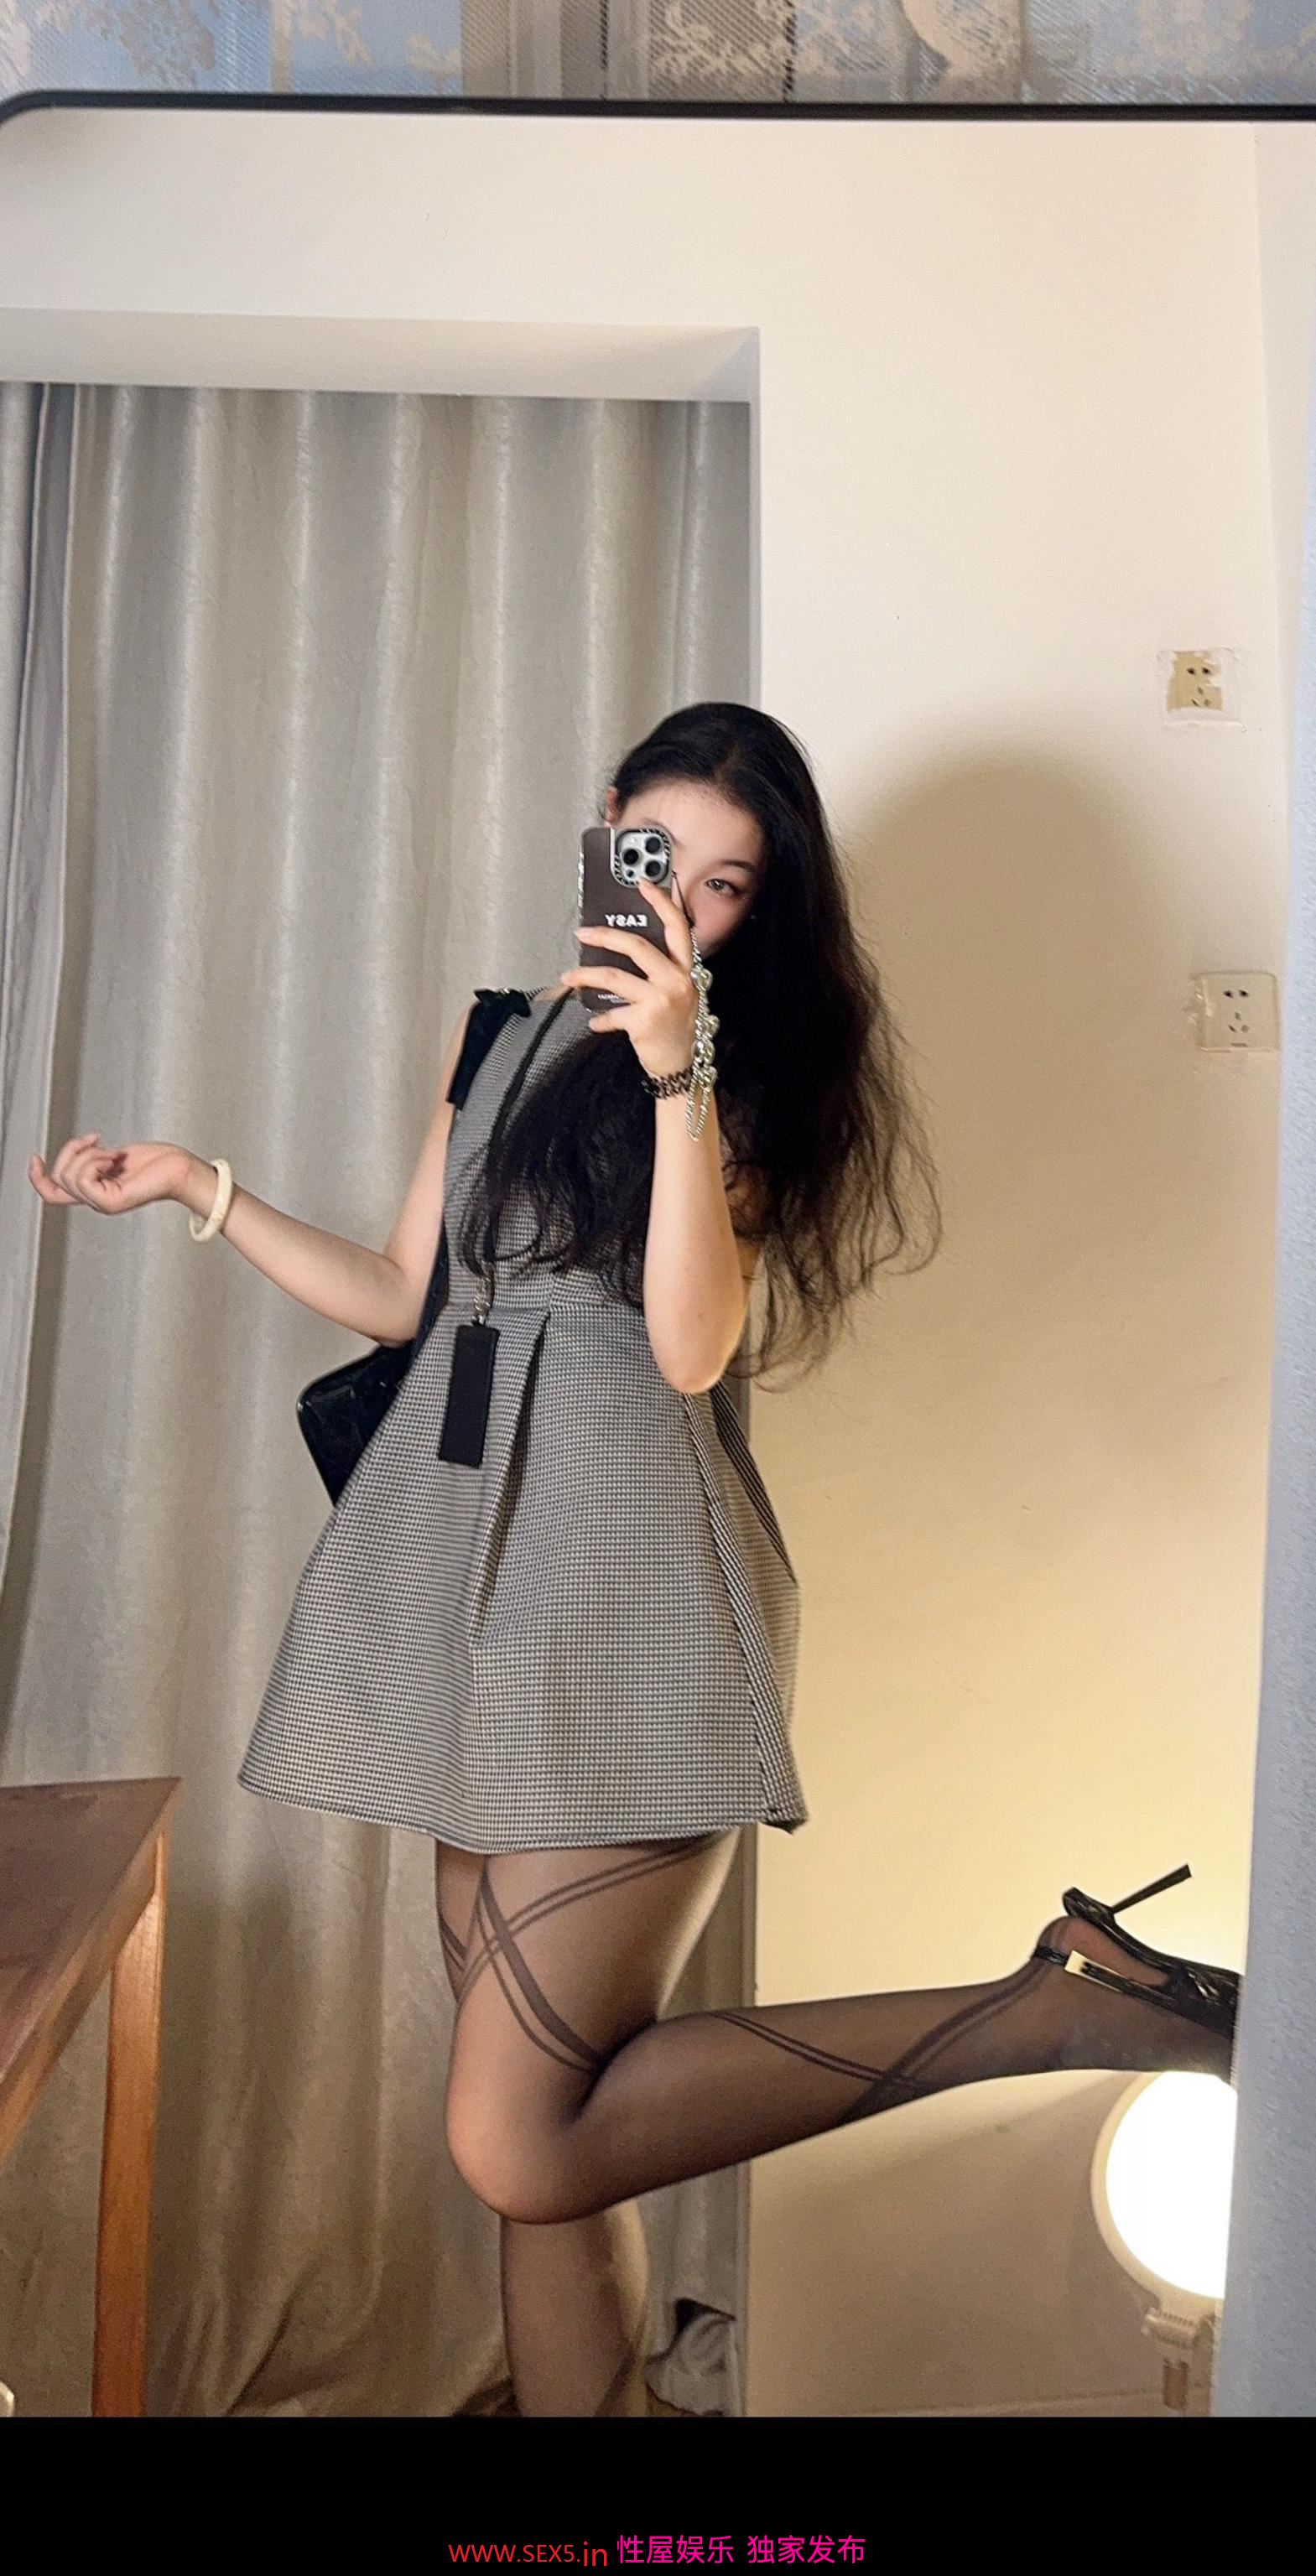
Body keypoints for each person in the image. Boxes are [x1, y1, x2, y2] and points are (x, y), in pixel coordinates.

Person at [30, 701, 1238, 2418]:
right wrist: (198, 1189)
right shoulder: (500, 1033)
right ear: (605, 829)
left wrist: (679, 1069)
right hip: (468, 1589)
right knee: (551, 2152)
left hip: (626, 1600)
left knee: (514, 2136)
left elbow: (686, 1347)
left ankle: (1051, 2010)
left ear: (761, 904)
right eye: (660, 856)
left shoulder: (746, 1071)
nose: (686, 901)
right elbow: (408, 1297)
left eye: (728, 884)